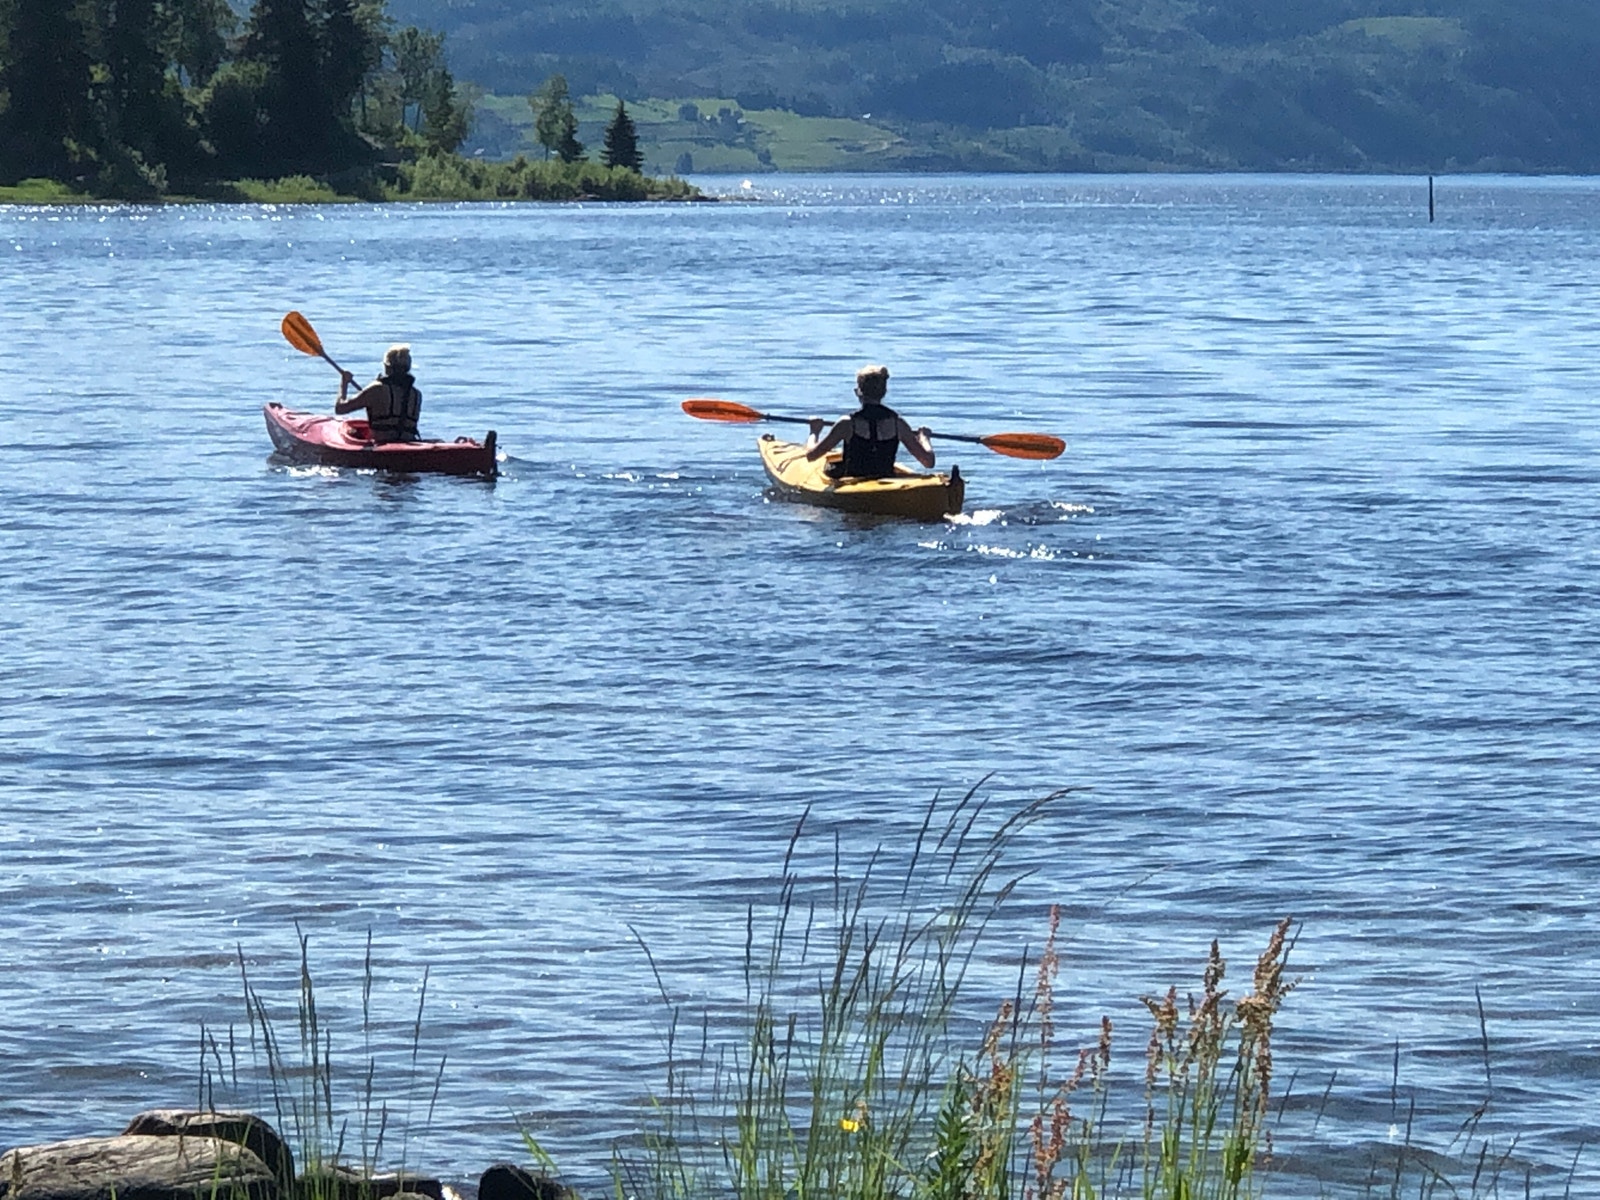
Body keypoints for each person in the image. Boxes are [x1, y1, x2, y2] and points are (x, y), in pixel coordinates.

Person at [806, 364, 935, 479]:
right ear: (884, 392)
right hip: (886, 479)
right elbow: (928, 462)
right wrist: (924, 438)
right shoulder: (898, 424)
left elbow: (811, 455)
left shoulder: (846, 424)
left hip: (853, 484)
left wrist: (814, 432)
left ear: (858, 392)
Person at [336, 344, 422, 443]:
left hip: (382, 444)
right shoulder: (416, 394)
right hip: (408, 442)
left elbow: (340, 408)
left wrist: (344, 383)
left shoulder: (377, 389)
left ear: (387, 366)